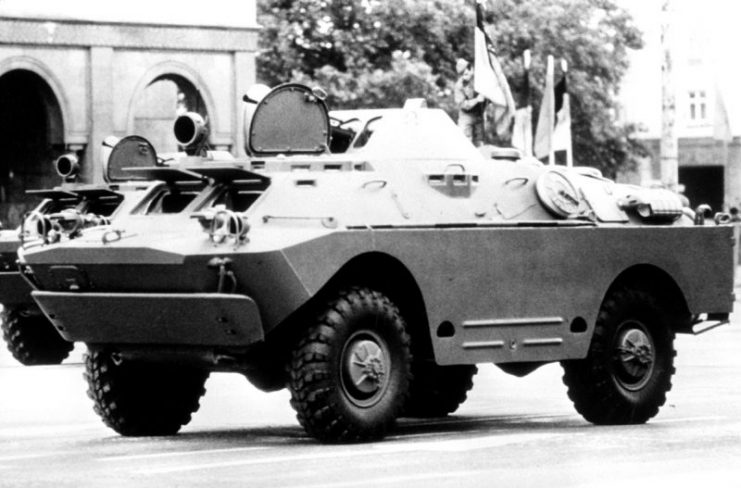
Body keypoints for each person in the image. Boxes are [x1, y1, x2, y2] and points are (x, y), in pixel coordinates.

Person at [453, 58, 486, 146]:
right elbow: (462, 104)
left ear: (471, 69)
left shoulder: (479, 80)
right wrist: (477, 100)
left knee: (479, 143)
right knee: (465, 143)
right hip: (466, 116)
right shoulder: (459, 86)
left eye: (467, 71)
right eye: (462, 74)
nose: (465, 74)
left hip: (479, 115)